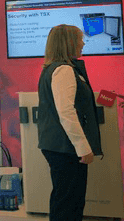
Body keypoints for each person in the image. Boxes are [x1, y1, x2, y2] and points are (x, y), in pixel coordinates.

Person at [37, 24, 103, 221]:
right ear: (69, 43)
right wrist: (83, 147)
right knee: (69, 202)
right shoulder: (64, 70)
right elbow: (66, 112)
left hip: (59, 146)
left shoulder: (52, 69)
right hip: (65, 148)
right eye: (80, 39)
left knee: (64, 198)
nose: (83, 43)